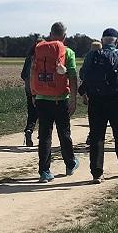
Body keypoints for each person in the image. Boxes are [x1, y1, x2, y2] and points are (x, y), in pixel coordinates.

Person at [80, 28, 118, 184]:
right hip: (116, 100)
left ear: (102, 40)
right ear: (116, 41)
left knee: (97, 135)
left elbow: (84, 76)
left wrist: (85, 94)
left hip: (96, 100)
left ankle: (97, 173)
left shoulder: (92, 55)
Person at [29, 22, 79, 183]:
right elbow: (72, 76)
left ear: (50, 34)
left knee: (44, 136)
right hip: (61, 99)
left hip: (42, 98)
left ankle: (44, 171)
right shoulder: (68, 52)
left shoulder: (39, 51)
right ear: (65, 36)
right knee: (64, 133)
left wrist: (33, 94)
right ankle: (70, 164)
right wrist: (73, 99)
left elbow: (32, 73)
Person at [20, 38, 40, 147]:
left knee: (31, 113)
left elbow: (23, 75)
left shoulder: (29, 58)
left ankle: (29, 130)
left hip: (29, 90)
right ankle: (43, 135)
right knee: (44, 113)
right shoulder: (44, 58)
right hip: (42, 91)